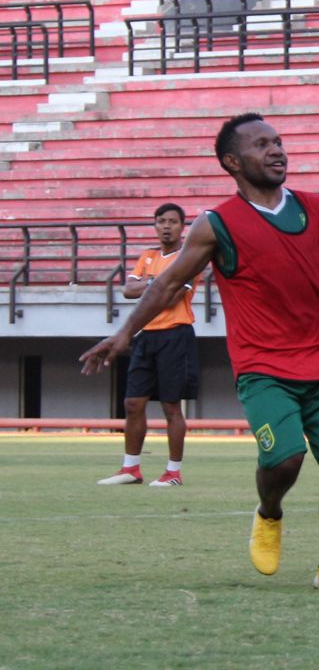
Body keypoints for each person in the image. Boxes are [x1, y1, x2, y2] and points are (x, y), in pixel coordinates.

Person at [81, 113, 319, 595]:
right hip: (264, 365)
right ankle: (269, 512)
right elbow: (167, 283)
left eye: (278, 142)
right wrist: (125, 332)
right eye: (261, 145)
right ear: (232, 162)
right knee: (286, 461)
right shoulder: (216, 224)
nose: (276, 150)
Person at [96, 203, 202, 487]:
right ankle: (131, 468)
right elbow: (129, 290)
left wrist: (151, 284)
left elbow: (171, 296)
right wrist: (158, 282)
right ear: (155, 225)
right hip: (145, 335)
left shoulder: (190, 258)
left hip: (175, 334)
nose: (166, 226)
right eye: (161, 221)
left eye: (172, 221)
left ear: (183, 226)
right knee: (132, 402)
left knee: (171, 405)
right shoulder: (148, 256)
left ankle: (173, 472)